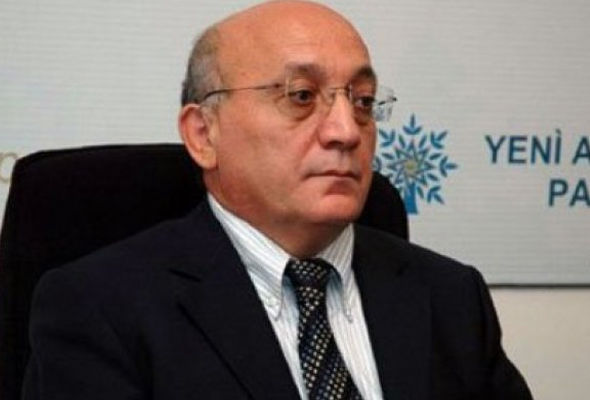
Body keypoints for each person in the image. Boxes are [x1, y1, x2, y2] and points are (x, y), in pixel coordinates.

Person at [22, 1, 532, 399]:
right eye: (301, 96)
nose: (346, 131)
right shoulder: (100, 307)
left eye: (363, 102)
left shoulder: (451, 296)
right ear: (203, 133)